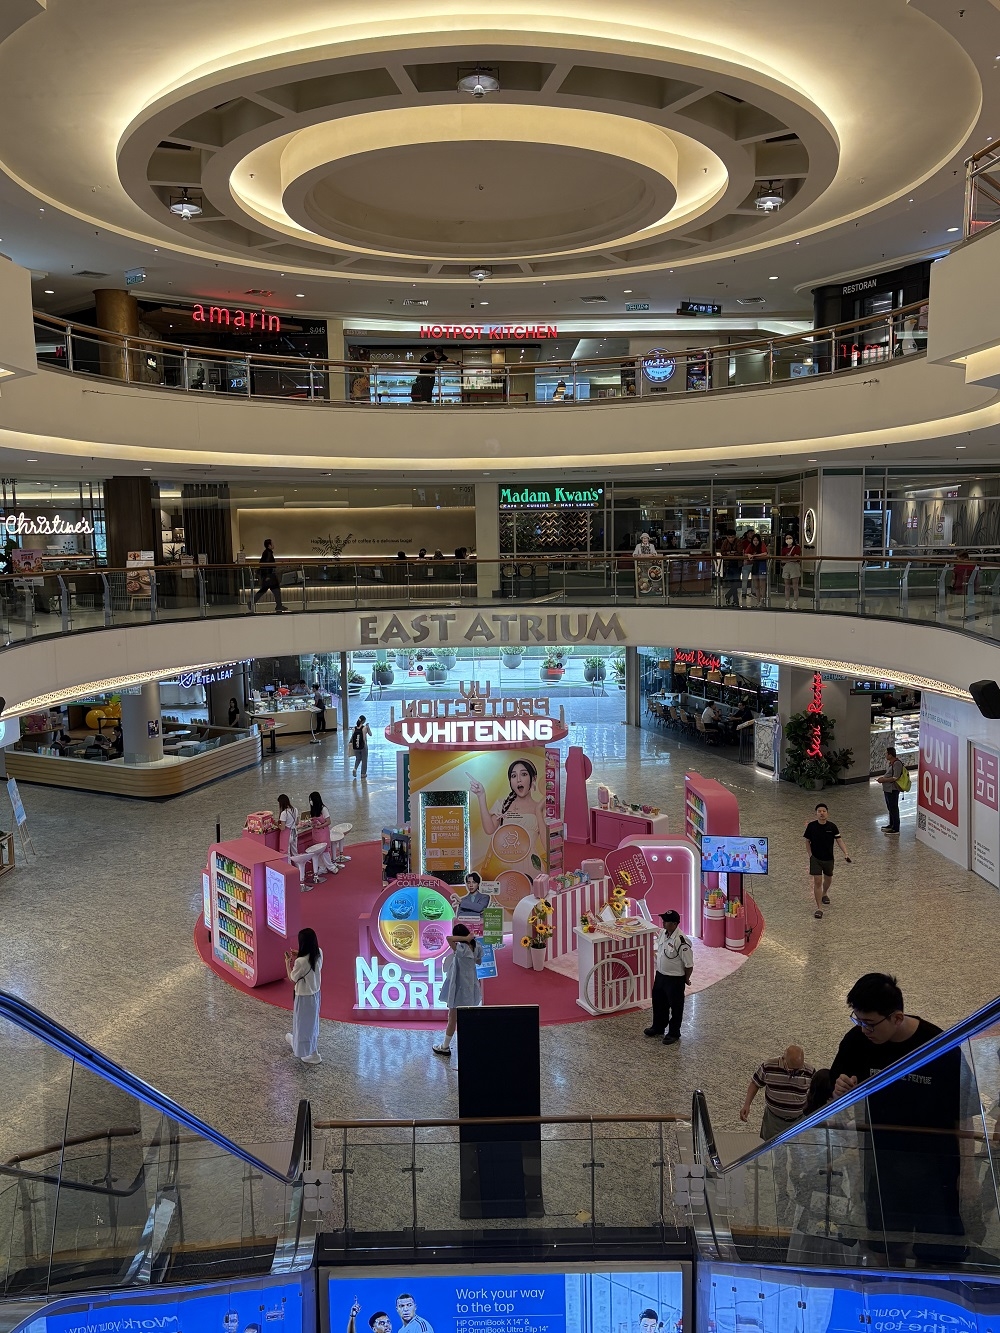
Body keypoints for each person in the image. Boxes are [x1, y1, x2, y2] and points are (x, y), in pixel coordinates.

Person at [829, 972, 965, 1262]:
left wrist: (968, 1175)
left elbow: (961, 1117)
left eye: (870, 1023)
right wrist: (839, 1088)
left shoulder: (939, 1048)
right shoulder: (857, 1041)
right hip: (882, 1163)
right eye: (858, 1020)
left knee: (936, 1248)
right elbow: (834, 1086)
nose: (864, 1029)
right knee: (884, 1244)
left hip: (936, 1165)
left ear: (897, 1018)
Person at [469, 758, 543, 880]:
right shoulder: (502, 804)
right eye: (513, 776)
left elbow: (546, 844)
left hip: (531, 866)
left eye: (524, 774)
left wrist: (539, 811)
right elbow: (489, 829)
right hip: (503, 866)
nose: (518, 779)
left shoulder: (539, 808)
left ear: (533, 778)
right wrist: (481, 796)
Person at [740, 1045, 815, 1140]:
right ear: (784, 1060)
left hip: (798, 1121)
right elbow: (755, 1084)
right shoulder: (769, 1066)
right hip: (773, 1121)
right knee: (772, 1147)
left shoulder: (809, 1071)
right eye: (793, 1069)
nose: (795, 1073)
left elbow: (815, 1094)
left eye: (799, 1069)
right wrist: (747, 1105)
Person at [432, 922, 483, 1056]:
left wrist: (465, 939)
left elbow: (449, 938)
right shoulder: (477, 946)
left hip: (459, 986)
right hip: (471, 985)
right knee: (468, 1017)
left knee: (452, 1017)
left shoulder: (460, 948)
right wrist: (469, 940)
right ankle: (471, 1045)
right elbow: (479, 961)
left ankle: (445, 1046)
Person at [644, 910, 694, 1046]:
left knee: (676, 1007)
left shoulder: (681, 941)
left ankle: (674, 1033)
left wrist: (686, 979)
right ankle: (658, 1027)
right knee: (658, 1003)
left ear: (674, 924)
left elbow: (689, 964)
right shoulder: (662, 933)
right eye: (663, 920)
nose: (663, 923)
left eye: (666, 921)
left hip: (675, 979)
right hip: (660, 975)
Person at [803, 802, 851, 919]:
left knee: (828, 878)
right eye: (819, 811)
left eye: (824, 811)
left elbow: (839, 840)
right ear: (816, 813)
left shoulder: (832, 827)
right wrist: (810, 855)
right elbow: (807, 841)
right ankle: (819, 908)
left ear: (827, 813)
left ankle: (825, 893)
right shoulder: (811, 826)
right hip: (816, 858)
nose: (822, 813)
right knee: (817, 881)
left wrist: (846, 853)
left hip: (829, 858)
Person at [284, 926, 323, 1064]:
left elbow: (292, 978)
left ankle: (310, 1053)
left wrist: (287, 963)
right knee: (311, 1024)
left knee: (302, 1024)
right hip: (315, 994)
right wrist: (299, 954)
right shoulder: (319, 952)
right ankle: (308, 1048)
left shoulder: (300, 962)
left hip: (303, 996)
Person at [307, 791, 339, 878]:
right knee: (318, 851)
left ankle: (331, 867)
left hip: (323, 832)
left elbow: (328, 822)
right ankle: (322, 867)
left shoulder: (323, 809)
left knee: (324, 851)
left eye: (311, 799)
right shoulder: (314, 809)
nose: (310, 801)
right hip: (316, 833)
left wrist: (319, 826)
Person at [875, 744, 904, 835]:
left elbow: (895, 777)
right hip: (887, 789)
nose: (885, 755)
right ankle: (891, 824)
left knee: (893, 807)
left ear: (890, 755)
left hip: (893, 789)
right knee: (890, 807)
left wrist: (883, 780)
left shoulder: (897, 763)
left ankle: (896, 828)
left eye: (886, 753)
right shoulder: (891, 763)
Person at [253, 539, 288, 613]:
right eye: (272, 543)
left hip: (268, 575)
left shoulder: (267, 553)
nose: (274, 545)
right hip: (270, 576)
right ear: (269, 545)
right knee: (274, 590)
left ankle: (252, 602)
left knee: (266, 590)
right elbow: (267, 565)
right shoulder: (268, 553)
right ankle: (279, 605)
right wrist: (267, 576)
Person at [718, 528, 740, 606]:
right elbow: (722, 552)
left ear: (735, 536)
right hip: (728, 565)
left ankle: (728, 595)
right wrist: (732, 553)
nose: (731, 539)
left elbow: (739, 552)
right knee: (732, 583)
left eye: (732, 537)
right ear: (727, 537)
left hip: (737, 564)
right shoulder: (725, 542)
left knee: (736, 583)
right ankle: (735, 601)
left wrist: (729, 553)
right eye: (729, 537)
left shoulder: (738, 542)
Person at [781, 533, 802, 609]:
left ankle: (795, 603)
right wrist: (791, 558)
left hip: (794, 567)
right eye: (787, 538)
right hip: (786, 567)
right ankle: (787, 602)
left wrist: (788, 559)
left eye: (790, 538)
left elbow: (797, 558)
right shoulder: (784, 549)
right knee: (787, 586)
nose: (788, 539)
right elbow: (782, 560)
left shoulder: (797, 547)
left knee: (795, 586)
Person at [277, 793, 299, 859]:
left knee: (286, 853)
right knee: (295, 852)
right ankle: (298, 865)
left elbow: (282, 828)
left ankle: (288, 865)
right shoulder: (295, 809)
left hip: (287, 835)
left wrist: (276, 824)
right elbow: (297, 822)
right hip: (294, 833)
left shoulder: (284, 813)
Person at [750, 531, 769, 605]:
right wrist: (749, 555)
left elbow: (765, 553)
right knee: (756, 585)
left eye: (757, 540)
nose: (755, 542)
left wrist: (754, 556)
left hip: (762, 565)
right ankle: (758, 601)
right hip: (755, 566)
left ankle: (762, 600)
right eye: (754, 540)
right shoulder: (751, 546)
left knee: (762, 584)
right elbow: (746, 553)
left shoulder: (762, 545)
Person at [739, 530, 754, 606]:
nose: (752, 535)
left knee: (754, 579)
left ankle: (753, 592)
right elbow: (742, 552)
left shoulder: (755, 542)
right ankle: (744, 593)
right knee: (744, 579)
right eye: (751, 533)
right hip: (746, 563)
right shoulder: (744, 542)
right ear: (747, 534)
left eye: (753, 533)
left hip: (754, 563)